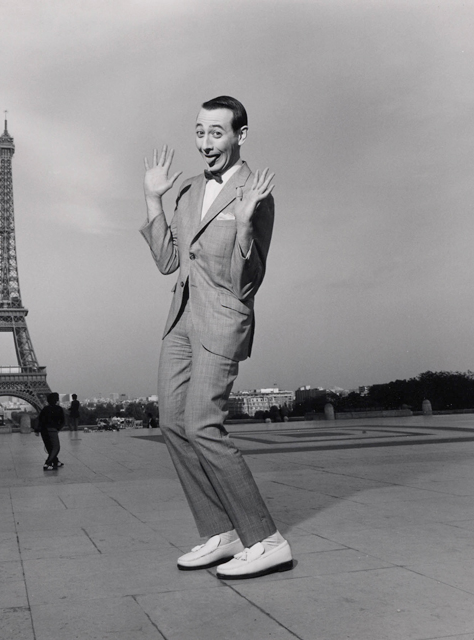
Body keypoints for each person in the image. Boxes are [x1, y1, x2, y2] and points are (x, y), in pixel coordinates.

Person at [139, 96, 292, 580]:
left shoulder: (255, 192)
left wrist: (245, 226)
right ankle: (220, 530)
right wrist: (153, 200)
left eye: (216, 133)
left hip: (221, 319)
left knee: (203, 424)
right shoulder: (185, 190)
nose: (205, 143)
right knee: (172, 423)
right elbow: (168, 261)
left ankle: (266, 540)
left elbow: (247, 282)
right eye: (199, 131)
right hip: (180, 320)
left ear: (240, 136)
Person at [35, 392, 65, 470]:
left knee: (49, 447)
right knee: (56, 447)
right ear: (56, 400)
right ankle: (47, 463)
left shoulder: (45, 409)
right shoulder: (59, 409)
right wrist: (57, 428)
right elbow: (63, 421)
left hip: (43, 431)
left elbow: (40, 419)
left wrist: (37, 429)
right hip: (52, 430)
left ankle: (55, 461)